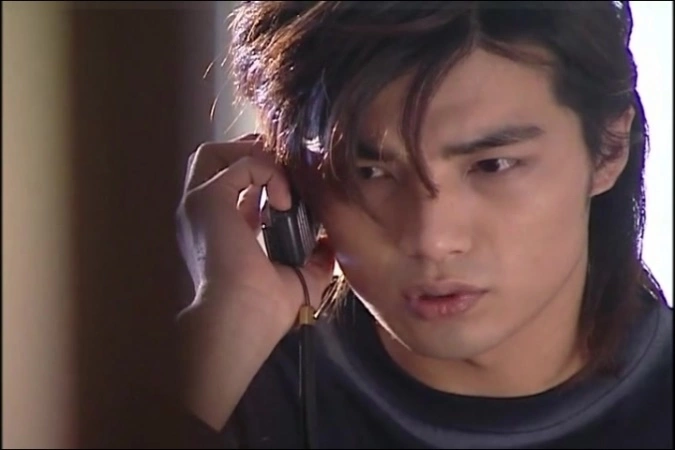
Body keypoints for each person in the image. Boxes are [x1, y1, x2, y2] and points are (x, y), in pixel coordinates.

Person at [173, 1, 673, 448]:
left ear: (609, 149)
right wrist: (228, 329)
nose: (432, 240)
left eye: (493, 165)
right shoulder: (223, 392)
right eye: (370, 172)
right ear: (293, 180)